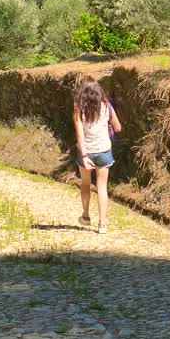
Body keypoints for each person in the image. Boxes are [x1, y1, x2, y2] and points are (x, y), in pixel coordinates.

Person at [73, 77, 120, 233]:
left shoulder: (78, 109)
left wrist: (85, 156)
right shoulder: (107, 106)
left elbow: (80, 135)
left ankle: (86, 216)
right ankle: (102, 224)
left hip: (86, 153)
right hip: (104, 150)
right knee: (102, 187)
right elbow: (118, 127)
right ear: (98, 91)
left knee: (86, 184)